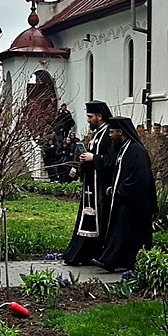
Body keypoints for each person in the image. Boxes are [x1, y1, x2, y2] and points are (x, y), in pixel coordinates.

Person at [93, 117, 157, 272]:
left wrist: (120, 189)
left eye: (112, 132)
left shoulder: (136, 150)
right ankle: (117, 260)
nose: (110, 135)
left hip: (134, 200)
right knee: (121, 230)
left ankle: (112, 261)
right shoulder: (124, 148)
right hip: (124, 198)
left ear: (120, 132)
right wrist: (113, 187)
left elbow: (139, 177)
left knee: (125, 231)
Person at [64, 101, 116, 265]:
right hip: (91, 184)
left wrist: (94, 158)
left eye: (90, 117)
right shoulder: (98, 133)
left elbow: (112, 159)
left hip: (101, 185)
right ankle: (83, 253)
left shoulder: (108, 133)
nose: (88, 120)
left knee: (100, 219)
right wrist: (85, 158)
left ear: (99, 116)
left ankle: (95, 252)